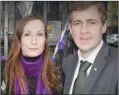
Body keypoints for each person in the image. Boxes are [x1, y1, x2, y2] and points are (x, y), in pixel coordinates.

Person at [62, 1, 118, 94]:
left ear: (103, 27)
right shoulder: (67, 64)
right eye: (77, 23)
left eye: (91, 22)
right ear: (71, 29)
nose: (83, 30)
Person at [1, 15, 62, 95]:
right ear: (19, 40)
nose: (34, 41)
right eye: (27, 34)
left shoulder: (55, 72)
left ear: (45, 40)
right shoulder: (5, 69)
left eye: (39, 34)